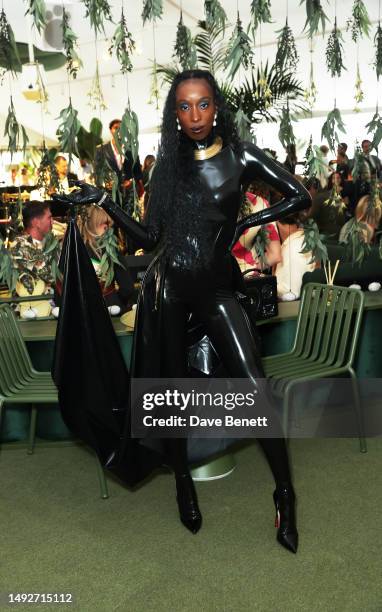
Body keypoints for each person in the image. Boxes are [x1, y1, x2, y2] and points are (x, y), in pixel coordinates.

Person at [53, 69, 311, 553]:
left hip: (216, 292)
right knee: (169, 397)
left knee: (256, 391)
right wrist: (107, 200)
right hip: (168, 291)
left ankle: (285, 494)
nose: (195, 116)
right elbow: (149, 239)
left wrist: (249, 220)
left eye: (204, 105)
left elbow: (301, 196)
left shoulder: (241, 156)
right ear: (175, 112)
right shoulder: (166, 167)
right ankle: (183, 485)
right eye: (185, 107)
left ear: (217, 107)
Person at [77, 206, 136, 313]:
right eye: (105, 223)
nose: (108, 227)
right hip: (111, 307)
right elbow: (127, 288)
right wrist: (116, 298)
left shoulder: (75, 249)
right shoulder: (110, 250)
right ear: (95, 224)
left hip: (82, 310)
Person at [10, 201, 59, 317]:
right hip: (30, 314)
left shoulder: (44, 243)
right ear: (36, 222)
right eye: (49, 218)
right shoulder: (20, 245)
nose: (53, 222)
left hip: (48, 309)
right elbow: (50, 275)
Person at [94, 118, 144, 211]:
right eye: (116, 128)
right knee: (112, 223)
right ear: (110, 130)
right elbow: (97, 175)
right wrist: (105, 183)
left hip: (129, 198)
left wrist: (133, 182)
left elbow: (138, 173)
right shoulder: (101, 150)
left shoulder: (132, 150)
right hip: (110, 198)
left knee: (129, 223)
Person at [232, 192, 281, 274]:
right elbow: (275, 255)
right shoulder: (260, 204)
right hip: (246, 279)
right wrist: (250, 267)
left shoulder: (205, 201)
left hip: (209, 280)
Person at [275, 213, 316, 300]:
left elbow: (288, 294)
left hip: (295, 306)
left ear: (276, 224)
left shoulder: (291, 248)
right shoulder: (305, 238)